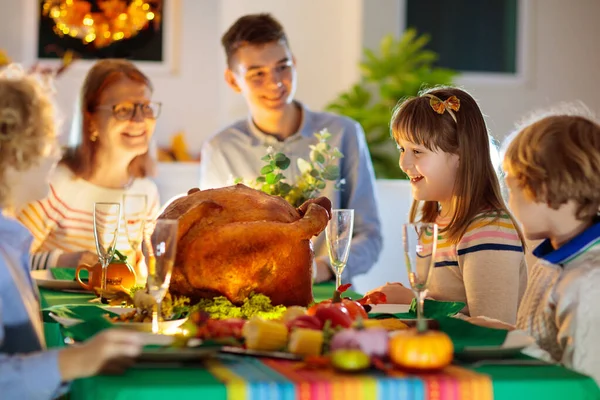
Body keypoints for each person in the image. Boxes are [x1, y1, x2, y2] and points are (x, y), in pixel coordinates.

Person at [199, 13, 382, 283]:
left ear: (294, 63)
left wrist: (320, 268)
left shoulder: (344, 133)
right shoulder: (221, 149)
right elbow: (215, 239)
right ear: (232, 80)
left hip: (329, 294)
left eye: (282, 67)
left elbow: (370, 235)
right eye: (257, 74)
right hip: (253, 293)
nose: (275, 83)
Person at [0, 65, 144, 399]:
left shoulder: (10, 243)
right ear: (13, 153)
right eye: (46, 142)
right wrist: (75, 360)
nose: (55, 153)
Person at [368, 87, 527, 324]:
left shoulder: (488, 230)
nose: (403, 162)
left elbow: (493, 329)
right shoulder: (438, 222)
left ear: (460, 156)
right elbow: (444, 308)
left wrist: (412, 302)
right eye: (402, 149)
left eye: (417, 151)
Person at [17, 59, 160, 280]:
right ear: (90, 119)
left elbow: (142, 276)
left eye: (146, 107)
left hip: (116, 314)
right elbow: (8, 259)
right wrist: (61, 261)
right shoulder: (54, 185)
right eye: (123, 109)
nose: (140, 119)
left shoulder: (147, 194)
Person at [489, 110, 600, 383]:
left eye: (511, 188)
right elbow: (539, 342)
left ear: (543, 188)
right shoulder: (553, 263)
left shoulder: (588, 282)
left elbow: (585, 385)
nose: (508, 201)